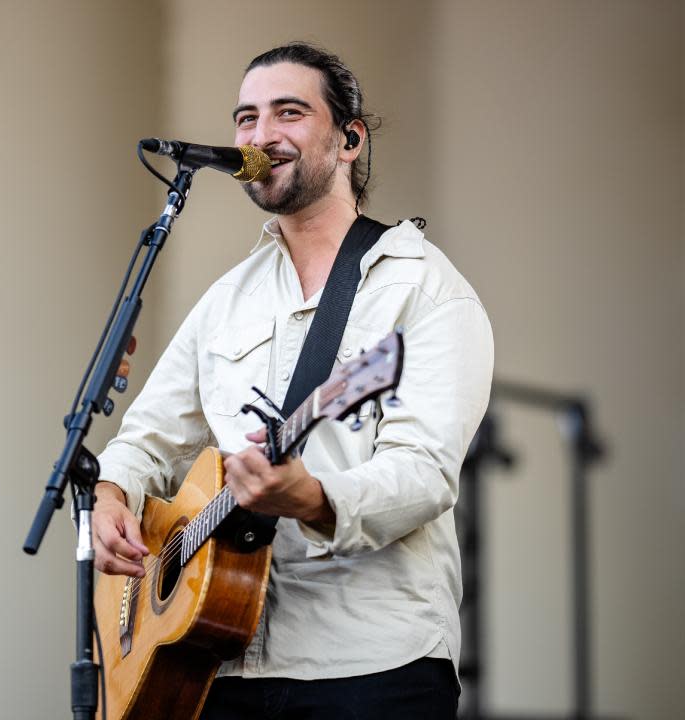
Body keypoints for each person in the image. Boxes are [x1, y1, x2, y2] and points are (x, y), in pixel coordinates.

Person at [93, 42, 493, 720]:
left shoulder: (424, 290)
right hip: (215, 666)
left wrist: (312, 496)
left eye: (289, 112)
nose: (259, 134)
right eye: (246, 118)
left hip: (370, 667)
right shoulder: (227, 298)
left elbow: (425, 474)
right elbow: (147, 435)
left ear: (349, 139)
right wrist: (111, 494)